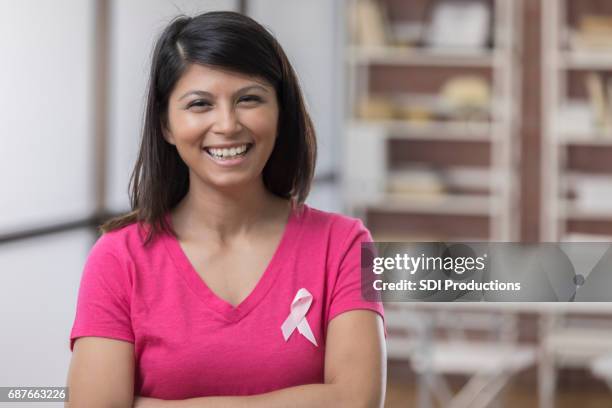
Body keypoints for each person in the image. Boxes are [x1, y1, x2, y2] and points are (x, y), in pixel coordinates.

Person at [65, 11, 386, 408]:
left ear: (280, 112)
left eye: (249, 99)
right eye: (200, 104)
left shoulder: (347, 246)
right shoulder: (118, 258)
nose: (227, 124)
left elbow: (357, 402)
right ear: (166, 124)